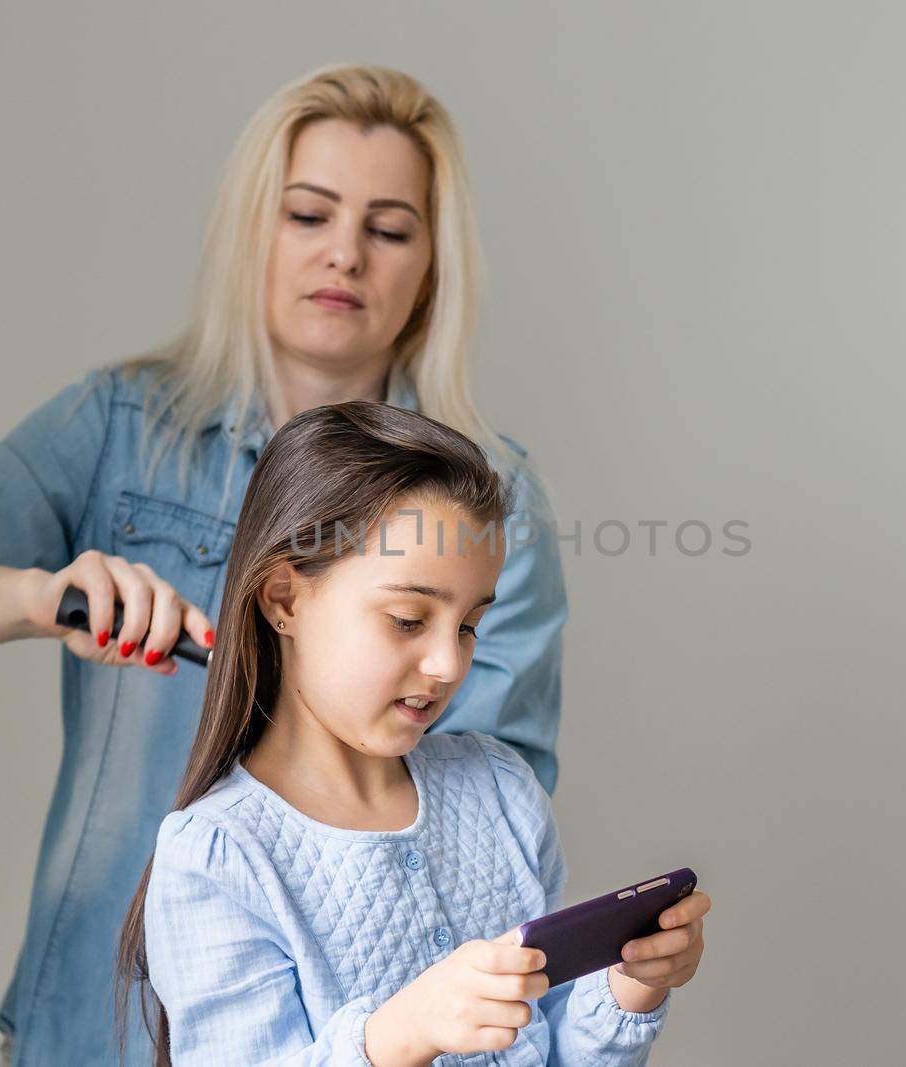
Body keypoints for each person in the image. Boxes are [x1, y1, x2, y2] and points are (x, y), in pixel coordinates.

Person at [0, 64, 568, 1066]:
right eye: (308, 213)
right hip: (94, 1018)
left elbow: (486, 810)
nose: (344, 254)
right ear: (252, 230)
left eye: (389, 229)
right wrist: (39, 598)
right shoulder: (121, 426)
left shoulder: (491, 498)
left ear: (432, 264)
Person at [121, 401, 712, 1066]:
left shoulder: (499, 791)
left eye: (468, 625)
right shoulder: (218, 856)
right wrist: (399, 1034)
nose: (449, 663)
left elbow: (553, 1050)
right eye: (408, 619)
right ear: (285, 600)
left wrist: (628, 986)